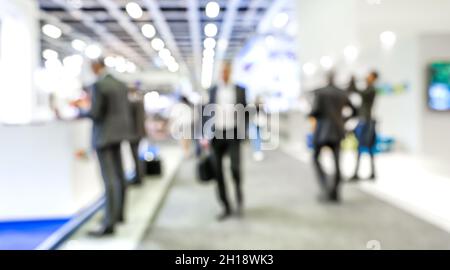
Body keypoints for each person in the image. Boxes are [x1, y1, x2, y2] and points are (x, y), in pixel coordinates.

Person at [75, 59, 132, 236]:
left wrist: (80, 109)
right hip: (120, 134)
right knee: (119, 175)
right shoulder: (120, 84)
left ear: (95, 67)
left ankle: (109, 223)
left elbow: (95, 113)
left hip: (104, 136)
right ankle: (119, 214)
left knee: (109, 179)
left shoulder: (99, 85)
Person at [203, 61, 248, 220]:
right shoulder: (213, 90)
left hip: (234, 133)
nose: (223, 73)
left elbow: (245, 112)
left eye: (226, 71)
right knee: (218, 172)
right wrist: (205, 134)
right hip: (217, 135)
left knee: (235, 168)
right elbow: (206, 112)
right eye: (221, 71)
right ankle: (226, 206)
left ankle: (239, 198)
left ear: (230, 71)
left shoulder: (240, 90)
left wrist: (244, 132)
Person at [309, 71, 356, 202]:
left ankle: (325, 186)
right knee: (337, 162)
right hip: (337, 130)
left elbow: (314, 111)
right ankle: (335, 192)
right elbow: (354, 110)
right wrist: (343, 120)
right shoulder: (342, 93)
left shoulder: (321, 93)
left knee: (315, 158)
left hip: (322, 131)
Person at [350, 71, 379, 181]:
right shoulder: (368, 88)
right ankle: (371, 173)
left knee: (363, 147)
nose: (367, 77)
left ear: (374, 78)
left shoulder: (371, 89)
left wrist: (354, 82)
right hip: (365, 120)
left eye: (369, 75)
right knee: (365, 148)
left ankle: (364, 173)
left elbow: (359, 92)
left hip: (366, 121)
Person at [128, 85, 147, 185]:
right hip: (139, 132)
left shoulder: (133, 102)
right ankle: (140, 175)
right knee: (137, 155)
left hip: (134, 133)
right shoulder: (140, 101)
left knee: (135, 155)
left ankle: (138, 177)